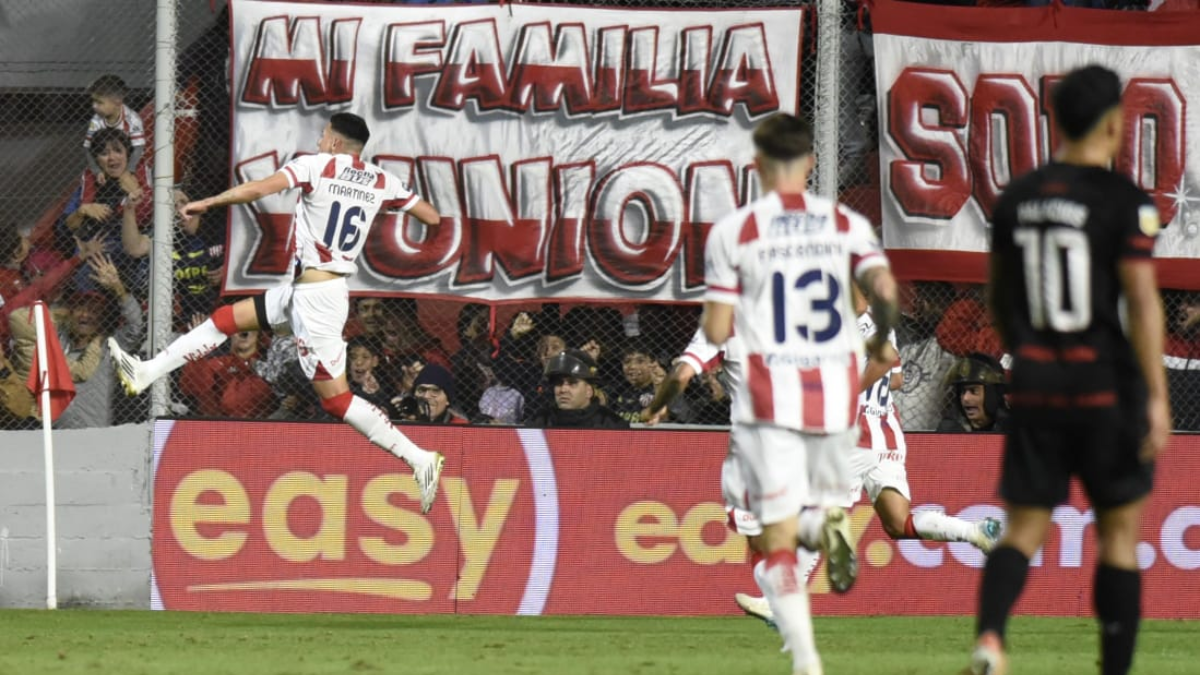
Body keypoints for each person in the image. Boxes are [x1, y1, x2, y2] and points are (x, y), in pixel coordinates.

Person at [105, 112, 446, 514]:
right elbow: (432, 217)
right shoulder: (380, 180)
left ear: (336, 143)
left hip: (316, 299)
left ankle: (418, 458)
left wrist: (209, 202)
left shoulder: (316, 165)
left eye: (323, 137)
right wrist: (370, 205)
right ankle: (146, 371)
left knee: (337, 402)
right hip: (308, 290)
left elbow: (260, 189)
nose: (319, 142)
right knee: (226, 319)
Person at [965, 66, 1171, 675]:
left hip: (1036, 381)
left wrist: (1025, 349)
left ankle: (991, 640)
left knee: (1023, 528)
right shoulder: (1124, 202)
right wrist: (1157, 396)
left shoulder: (1019, 198)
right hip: (1104, 385)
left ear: (1054, 121)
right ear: (1115, 122)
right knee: (1118, 536)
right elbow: (1139, 301)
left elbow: (999, 294)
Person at [702, 112, 900, 675]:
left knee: (769, 524)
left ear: (758, 165)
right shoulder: (844, 227)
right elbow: (885, 295)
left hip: (775, 403)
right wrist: (879, 346)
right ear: (811, 163)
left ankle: (801, 629)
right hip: (828, 404)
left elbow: (718, 328)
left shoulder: (739, 233)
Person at [9, 255, 144, 429]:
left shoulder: (109, 346)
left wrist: (118, 288)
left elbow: (136, 327)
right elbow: (19, 317)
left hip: (93, 435)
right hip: (52, 435)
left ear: (103, 316)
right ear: (69, 311)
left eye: (94, 309)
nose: (85, 314)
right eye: (80, 307)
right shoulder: (55, 339)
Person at [180, 329, 275, 419]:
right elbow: (189, 388)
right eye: (239, 328)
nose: (244, 331)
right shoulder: (218, 363)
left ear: (259, 337)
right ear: (230, 335)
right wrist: (199, 350)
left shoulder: (269, 368)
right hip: (212, 422)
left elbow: (231, 404)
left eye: (250, 328)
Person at [524, 349, 627, 429]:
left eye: (572, 383)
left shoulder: (611, 424)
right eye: (559, 383)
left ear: (589, 391)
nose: (563, 389)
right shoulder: (540, 421)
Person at [84, 75, 145, 183]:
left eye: (99, 102)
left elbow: (138, 149)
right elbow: (88, 148)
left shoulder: (132, 119)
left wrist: (129, 171)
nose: (94, 106)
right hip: (106, 165)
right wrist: (97, 171)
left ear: (117, 102)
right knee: (87, 176)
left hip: (130, 164)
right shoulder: (96, 120)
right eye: (93, 101)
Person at [937, 353, 1010, 433]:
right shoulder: (950, 430)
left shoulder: (1013, 428)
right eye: (963, 391)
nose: (965, 398)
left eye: (973, 391)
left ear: (993, 394)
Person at [399, 363, 469, 425]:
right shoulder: (401, 421)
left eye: (435, 391)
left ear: (447, 400)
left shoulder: (460, 427)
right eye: (421, 390)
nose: (426, 396)